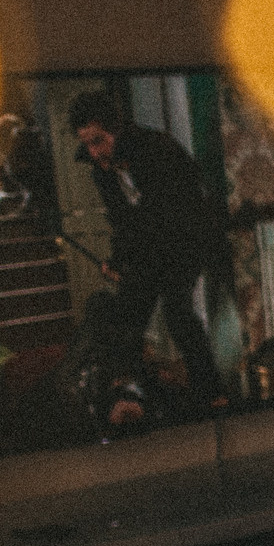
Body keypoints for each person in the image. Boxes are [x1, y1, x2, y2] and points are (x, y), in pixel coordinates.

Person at [67, 91, 228, 416]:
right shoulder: (102, 169)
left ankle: (213, 397)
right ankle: (131, 397)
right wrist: (118, 261)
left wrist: (135, 261)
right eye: (87, 144)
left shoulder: (157, 150)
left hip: (187, 238)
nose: (94, 151)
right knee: (127, 316)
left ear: (117, 129)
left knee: (178, 313)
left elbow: (171, 215)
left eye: (99, 140)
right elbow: (122, 222)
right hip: (149, 247)